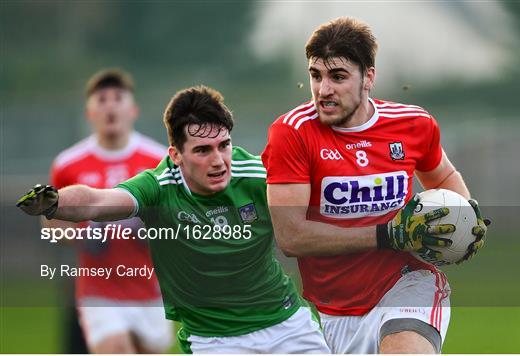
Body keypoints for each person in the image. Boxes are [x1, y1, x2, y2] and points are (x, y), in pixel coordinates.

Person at [17, 85, 330, 354]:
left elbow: (322, 209)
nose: (219, 161)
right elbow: (98, 202)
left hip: (286, 323)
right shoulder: (158, 186)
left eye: (224, 146)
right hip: (214, 341)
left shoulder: (258, 177)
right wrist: (54, 202)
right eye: (203, 150)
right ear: (176, 155)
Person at [262, 17, 489, 354]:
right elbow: (291, 236)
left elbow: (442, 177)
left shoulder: (414, 124)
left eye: (338, 77)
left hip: (408, 282)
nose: (324, 90)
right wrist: (388, 234)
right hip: (335, 311)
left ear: (369, 76)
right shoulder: (292, 134)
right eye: (316, 75)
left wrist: (465, 221)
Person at [44, 68, 172, 353]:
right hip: (98, 292)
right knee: (116, 348)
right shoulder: (68, 164)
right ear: (89, 113)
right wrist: (82, 236)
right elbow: (50, 223)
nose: (110, 105)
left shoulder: (158, 158)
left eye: (118, 98)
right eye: (101, 99)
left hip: (151, 289)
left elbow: (178, 217)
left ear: (133, 109)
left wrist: (155, 231)